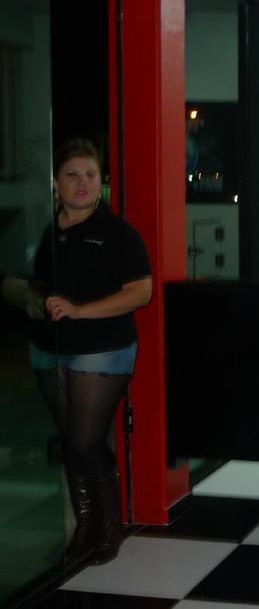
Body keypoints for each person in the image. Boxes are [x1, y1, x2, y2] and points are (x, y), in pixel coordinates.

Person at [28, 138, 152, 566]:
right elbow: (37, 285)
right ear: (56, 183)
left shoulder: (117, 233)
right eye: (72, 174)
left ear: (102, 182)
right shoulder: (50, 231)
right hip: (50, 347)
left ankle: (110, 527)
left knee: (85, 442)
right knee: (68, 441)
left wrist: (80, 310)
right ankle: (85, 525)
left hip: (102, 349)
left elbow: (141, 293)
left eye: (90, 175)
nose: (82, 182)